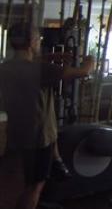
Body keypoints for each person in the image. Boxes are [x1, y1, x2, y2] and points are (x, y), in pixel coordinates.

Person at [0, 23, 94, 209]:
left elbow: (29, 65)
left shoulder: (5, 68)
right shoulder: (41, 70)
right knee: (34, 187)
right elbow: (84, 71)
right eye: (38, 39)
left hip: (17, 134)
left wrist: (50, 58)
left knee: (21, 183)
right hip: (39, 138)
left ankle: (56, 162)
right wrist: (90, 59)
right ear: (31, 42)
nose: (39, 42)